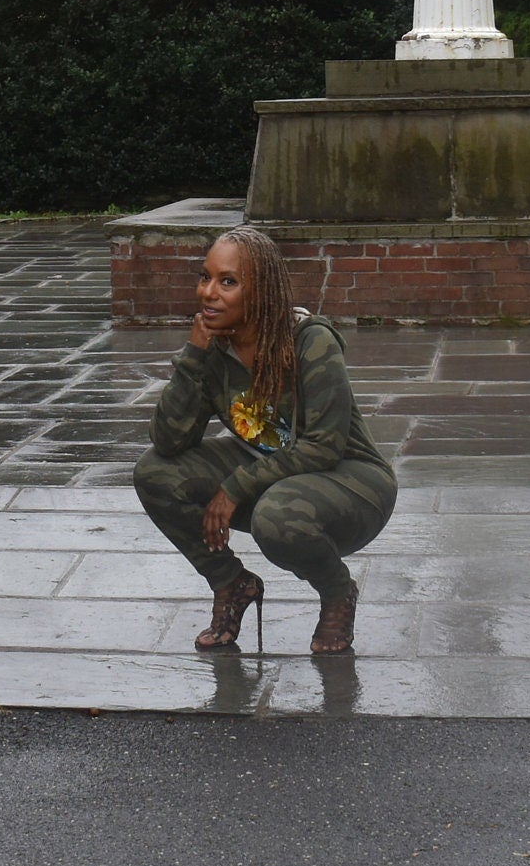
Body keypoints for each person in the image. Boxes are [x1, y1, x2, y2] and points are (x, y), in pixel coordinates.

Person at [133, 224, 397, 655]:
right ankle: (231, 584)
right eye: (205, 277)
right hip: (275, 473)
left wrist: (235, 487)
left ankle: (336, 590)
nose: (209, 293)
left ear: (262, 291)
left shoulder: (310, 341)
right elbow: (168, 442)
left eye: (228, 281)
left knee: (275, 516)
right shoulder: (215, 352)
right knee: (155, 474)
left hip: (351, 481)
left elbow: (324, 445)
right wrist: (193, 357)